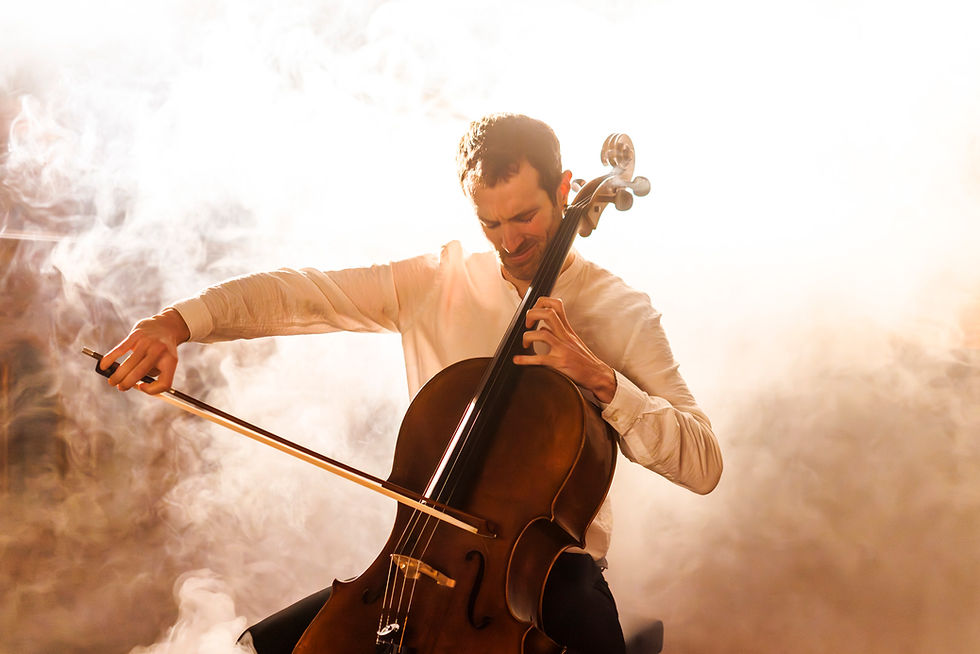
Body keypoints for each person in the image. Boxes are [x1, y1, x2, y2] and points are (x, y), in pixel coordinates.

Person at [100, 113, 723, 654]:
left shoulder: (620, 311)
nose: (510, 242)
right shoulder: (437, 283)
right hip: (413, 562)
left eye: (527, 217)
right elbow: (301, 294)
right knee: (255, 652)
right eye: (491, 223)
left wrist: (597, 375)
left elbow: (703, 463)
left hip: (544, 578)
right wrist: (177, 323)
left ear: (565, 191)